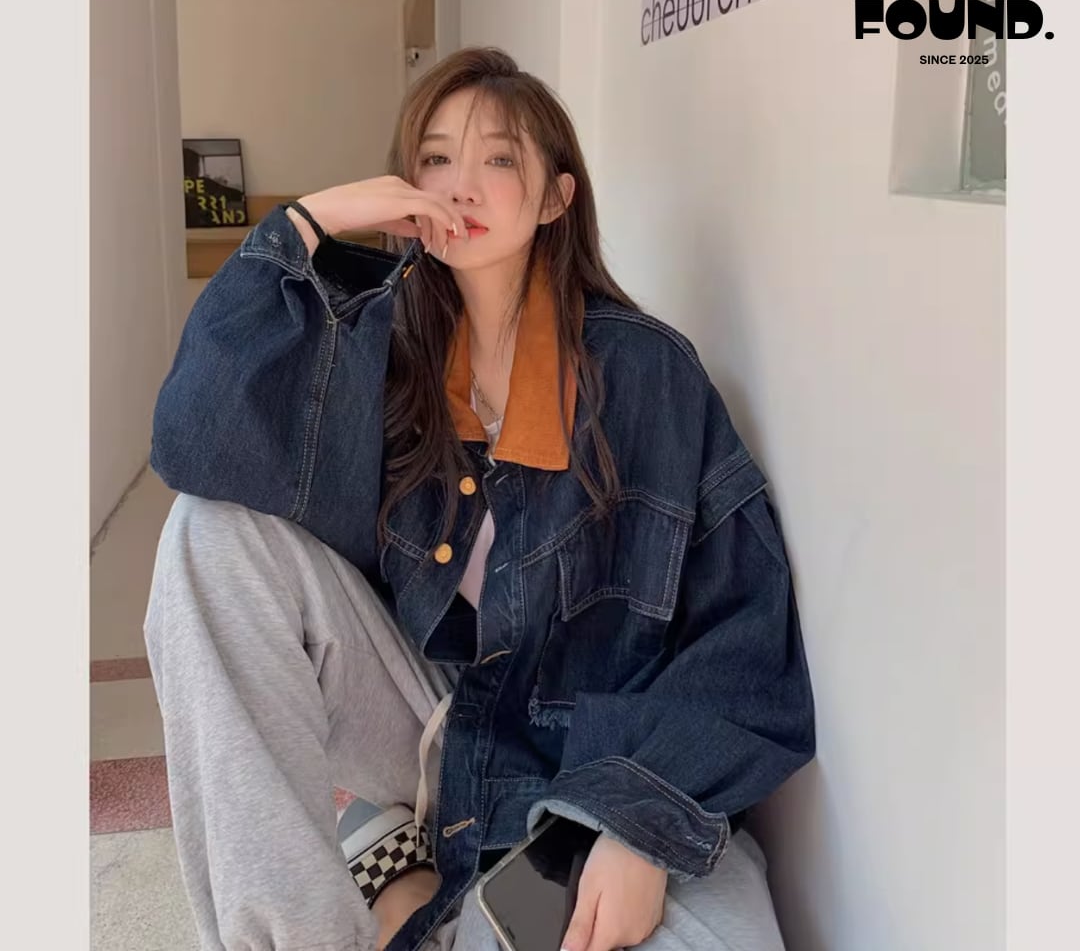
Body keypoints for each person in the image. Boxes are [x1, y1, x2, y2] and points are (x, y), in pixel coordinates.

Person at [145, 46, 815, 951]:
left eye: (499, 157)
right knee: (208, 534)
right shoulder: (377, 347)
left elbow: (745, 634)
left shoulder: (648, 373)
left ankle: (403, 866)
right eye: (435, 157)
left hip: (598, 748)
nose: (460, 183)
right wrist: (306, 223)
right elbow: (197, 443)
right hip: (430, 715)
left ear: (555, 200)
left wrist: (637, 824)